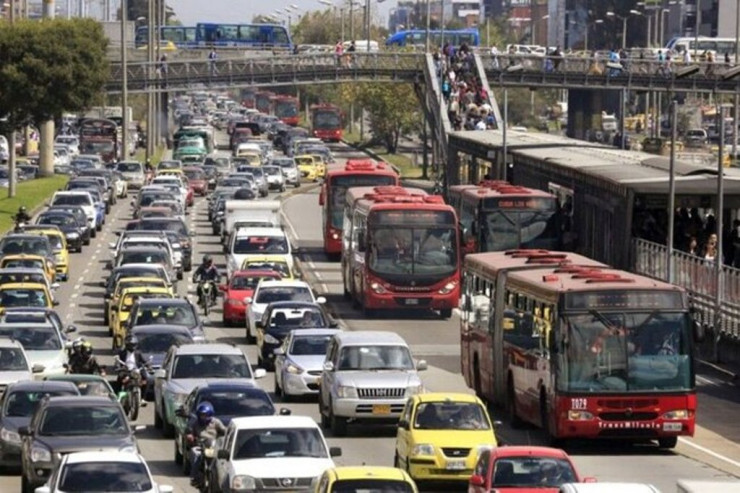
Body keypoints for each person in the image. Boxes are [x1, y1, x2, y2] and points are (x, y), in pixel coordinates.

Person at [187, 402, 226, 487]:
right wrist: (190, 437)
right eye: (201, 415)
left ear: (209, 414)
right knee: (195, 455)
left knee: (220, 458)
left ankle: (220, 479)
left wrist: (225, 436)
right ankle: (194, 477)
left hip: (212, 445)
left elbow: (225, 431)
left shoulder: (216, 422)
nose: (203, 417)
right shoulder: (195, 423)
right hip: (199, 445)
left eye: (204, 415)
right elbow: (190, 433)